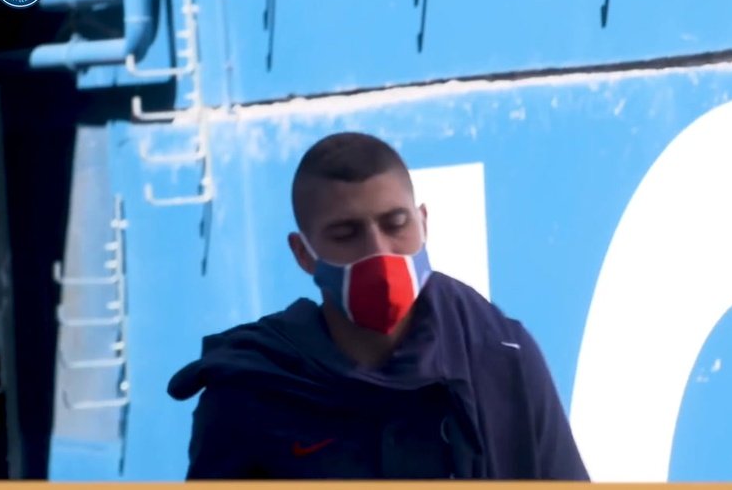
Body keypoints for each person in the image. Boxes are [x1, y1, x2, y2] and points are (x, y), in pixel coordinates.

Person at [167, 132, 590, 480]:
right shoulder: (249, 395)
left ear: (424, 223)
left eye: (396, 225)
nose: (379, 252)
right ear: (303, 254)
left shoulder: (501, 358)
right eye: (346, 233)